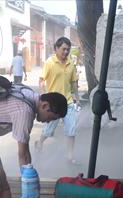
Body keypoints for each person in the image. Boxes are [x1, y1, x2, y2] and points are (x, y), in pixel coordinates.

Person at [0, 89, 67, 169]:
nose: (48, 122)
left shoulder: (27, 93)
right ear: (45, 106)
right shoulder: (25, 112)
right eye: (51, 118)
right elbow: (23, 155)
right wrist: (29, 179)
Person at [35, 37, 81, 165]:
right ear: (56, 48)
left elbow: (74, 82)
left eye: (68, 49)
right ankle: (39, 143)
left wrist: (77, 99)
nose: (66, 52)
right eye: (63, 49)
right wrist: (43, 95)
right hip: (54, 104)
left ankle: (70, 157)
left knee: (71, 130)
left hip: (68, 102)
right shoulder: (50, 63)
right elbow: (42, 80)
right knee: (49, 130)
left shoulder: (71, 64)